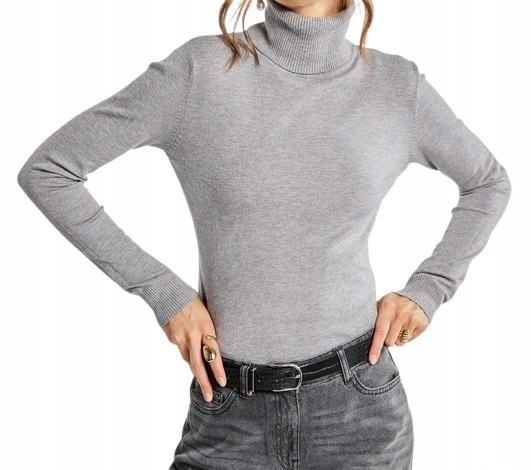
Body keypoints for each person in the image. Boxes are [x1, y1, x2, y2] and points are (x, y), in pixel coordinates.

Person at [17, 0, 511, 468]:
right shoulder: (198, 72)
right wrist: (165, 293)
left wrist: (428, 289)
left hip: (361, 417)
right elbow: (49, 171)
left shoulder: (396, 86)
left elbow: (488, 183)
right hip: (228, 414)